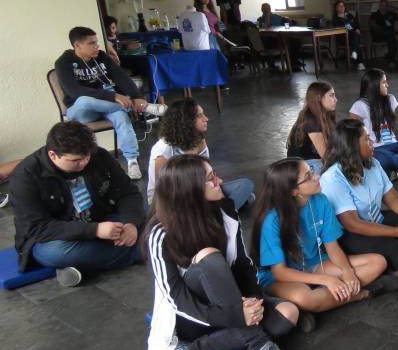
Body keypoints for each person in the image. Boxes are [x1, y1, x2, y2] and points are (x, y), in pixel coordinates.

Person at [145, 155, 304, 350]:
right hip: (194, 317)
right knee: (209, 257)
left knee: (289, 312)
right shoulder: (160, 233)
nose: (219, 181)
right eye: (211, 178)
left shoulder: (224, 208)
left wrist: (253, 302)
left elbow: (242, 263)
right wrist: (237, 315)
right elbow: (177, 299)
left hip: (230, 301)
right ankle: (260, 348)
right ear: (190, 190)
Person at [252, 158, 398, 333]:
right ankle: (358, 295)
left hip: (315, 263)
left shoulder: (320, 201)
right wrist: (327, 280)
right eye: (308, 176)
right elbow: (280, 272)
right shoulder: (272, 220)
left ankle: (319, 305)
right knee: (306, 297)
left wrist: (347, 271)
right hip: (281, 277)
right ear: (294, 191)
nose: (316, 176)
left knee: (377, 262)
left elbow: (332, 246)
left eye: (312, 170)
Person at [11, 121, 144, 286]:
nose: (84, 163)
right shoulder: (25, 176)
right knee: (55, 253)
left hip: (100, 218)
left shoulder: (99, 156)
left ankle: (81, 265)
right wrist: (95, 230)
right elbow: (38, 228)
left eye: (87, 156)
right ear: (53, 155)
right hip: (54, 239)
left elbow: (128, 193)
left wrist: (131, 223)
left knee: (154, 218)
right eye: (76, 160)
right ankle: (145, 250)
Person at [320, 119, 398, 284]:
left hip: (374, 220)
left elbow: (392, 197)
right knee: (388, 244)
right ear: (352, 146)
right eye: (366, 139)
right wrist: (395, 232)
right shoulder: (332, 178)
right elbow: (353, 224)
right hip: (349, 235)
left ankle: (395, 265)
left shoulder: (372, 163)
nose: (372, 142)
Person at [55, 26, 166, 180]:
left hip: (107, 107)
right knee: (84, 100)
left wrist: (136, 95)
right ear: (77, 46)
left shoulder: (101, 57)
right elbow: (74, 91)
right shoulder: (64, 62)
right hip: (81, 111)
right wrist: (113, 96)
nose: (97, 46)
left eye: (97, 42)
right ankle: (142, 107)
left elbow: (121, 77)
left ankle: (132, 161)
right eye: (91, 43)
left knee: (120, 116)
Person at [146, 98, 253, 211]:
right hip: (174, 200)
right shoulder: (163, 149)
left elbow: (206, 175)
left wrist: (213, 182)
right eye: (199, 116)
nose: (206, 119)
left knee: (246, 185)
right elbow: (163, 192)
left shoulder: (199, 139)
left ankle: (217, 211)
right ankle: (221, 212)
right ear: (186, 121)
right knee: (243, 197)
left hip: (198, 190)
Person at [286, 81, 337, 174]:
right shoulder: (311, 120)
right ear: (319, 98)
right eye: (331, 95)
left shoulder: (324, 115)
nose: (336, 100)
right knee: (337, 169)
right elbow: (326, 156)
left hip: (312, 159)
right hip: (301, 166)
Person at [331, 0, 365, 70]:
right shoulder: (335, 18)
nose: (342, 7)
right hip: (343, 38)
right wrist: (345, 19)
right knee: (356, 41)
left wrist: (357, 29)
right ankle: (360, 63)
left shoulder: (349, 15)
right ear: (336, 8)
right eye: (339, 6)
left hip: (352, 37)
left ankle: (354, 53)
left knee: (355, 36)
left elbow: (356, 24)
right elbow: (343, 28)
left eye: (343, 6)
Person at [370, 0, 398, 65]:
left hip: (389, 35)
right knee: (393, 36)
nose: (382, 7)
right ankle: (390, 59)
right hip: (379, 35)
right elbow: (372, 25)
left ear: (387, 6)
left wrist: (395, 10)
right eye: (381, 5)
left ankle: (390, 59)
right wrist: (394, 33)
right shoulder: (374, 14)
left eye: (384, 5)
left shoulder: (391, 14)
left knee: (392, 38)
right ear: (379, 6)